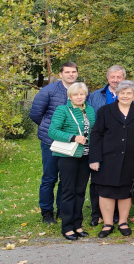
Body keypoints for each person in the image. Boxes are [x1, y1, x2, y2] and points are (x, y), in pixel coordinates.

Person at [89, 80, 134, 238]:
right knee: (106, 191)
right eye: (122, 93)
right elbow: (96, 135)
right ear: (116, 94)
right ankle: (107, 224)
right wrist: (94, 158)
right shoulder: (105, 111)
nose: (125, 96)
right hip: (107, 158)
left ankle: (123, 222)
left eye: (129, 93)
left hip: (132, 158)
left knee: (125, 191)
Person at [30, 61, 78, 224]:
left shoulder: (80, 90)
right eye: (67, 72)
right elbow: (36, 114)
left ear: (77, 74)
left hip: (71, 141)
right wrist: (49, 130)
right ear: (61, 74)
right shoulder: (48, 90)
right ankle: (47, 212)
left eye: (73, 72)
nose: (71, 74)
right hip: (51, 141)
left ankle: (62, 210)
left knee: (66, 178)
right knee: (50, 178)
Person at [48, 82, 95, 240]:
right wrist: (73, 137)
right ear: (70, 96)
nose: (79, 97)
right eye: (76, 94)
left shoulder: (90, 110)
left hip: (86, 156)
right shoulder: (63, 110)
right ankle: (67, 227)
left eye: (82, 94)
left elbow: (94, 130)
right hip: (68, 156)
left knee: (80, 192)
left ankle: (77, 224)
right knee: (68, 192)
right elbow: (53, 131)